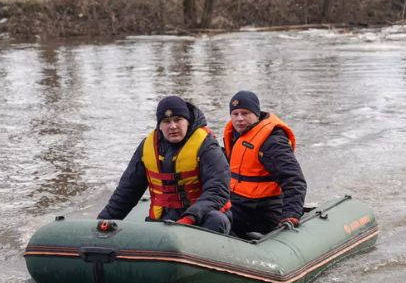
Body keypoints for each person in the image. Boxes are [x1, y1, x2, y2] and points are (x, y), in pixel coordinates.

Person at [98, 96, 232, 234]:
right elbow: (127, 192)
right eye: (166, 121)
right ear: (160, 126)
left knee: (217, 220)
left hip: (201, 216)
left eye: (178, 120)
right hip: (165, 218)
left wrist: (190, 218)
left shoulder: (207, 145)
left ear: (187, 121)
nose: (173, 126)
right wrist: (101, 222)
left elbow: (217, 190)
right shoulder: (147, 146)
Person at [223, 90, 307, 238]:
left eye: (245, 113)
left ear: (256, 114)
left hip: (265, 208)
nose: (239, 119)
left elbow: (294, 181)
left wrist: (291, 215)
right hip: (238, 204)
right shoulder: (235, 135)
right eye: (235, 114)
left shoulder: (272, 143)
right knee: (212, 219)